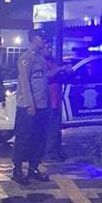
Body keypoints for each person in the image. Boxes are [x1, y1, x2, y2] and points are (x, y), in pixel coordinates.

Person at [12, 31, 69, 185]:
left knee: (39, 139)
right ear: (32, 39)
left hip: (43, 105)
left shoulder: (40, 58)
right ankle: (17, 170)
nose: (43, 40)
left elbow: (45, 77)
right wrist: (30, 104)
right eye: (40, 37)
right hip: (28, 106)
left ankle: (33, 168)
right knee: (24, 138)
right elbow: (24, 82)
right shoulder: (26, 58)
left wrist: (60, 70)